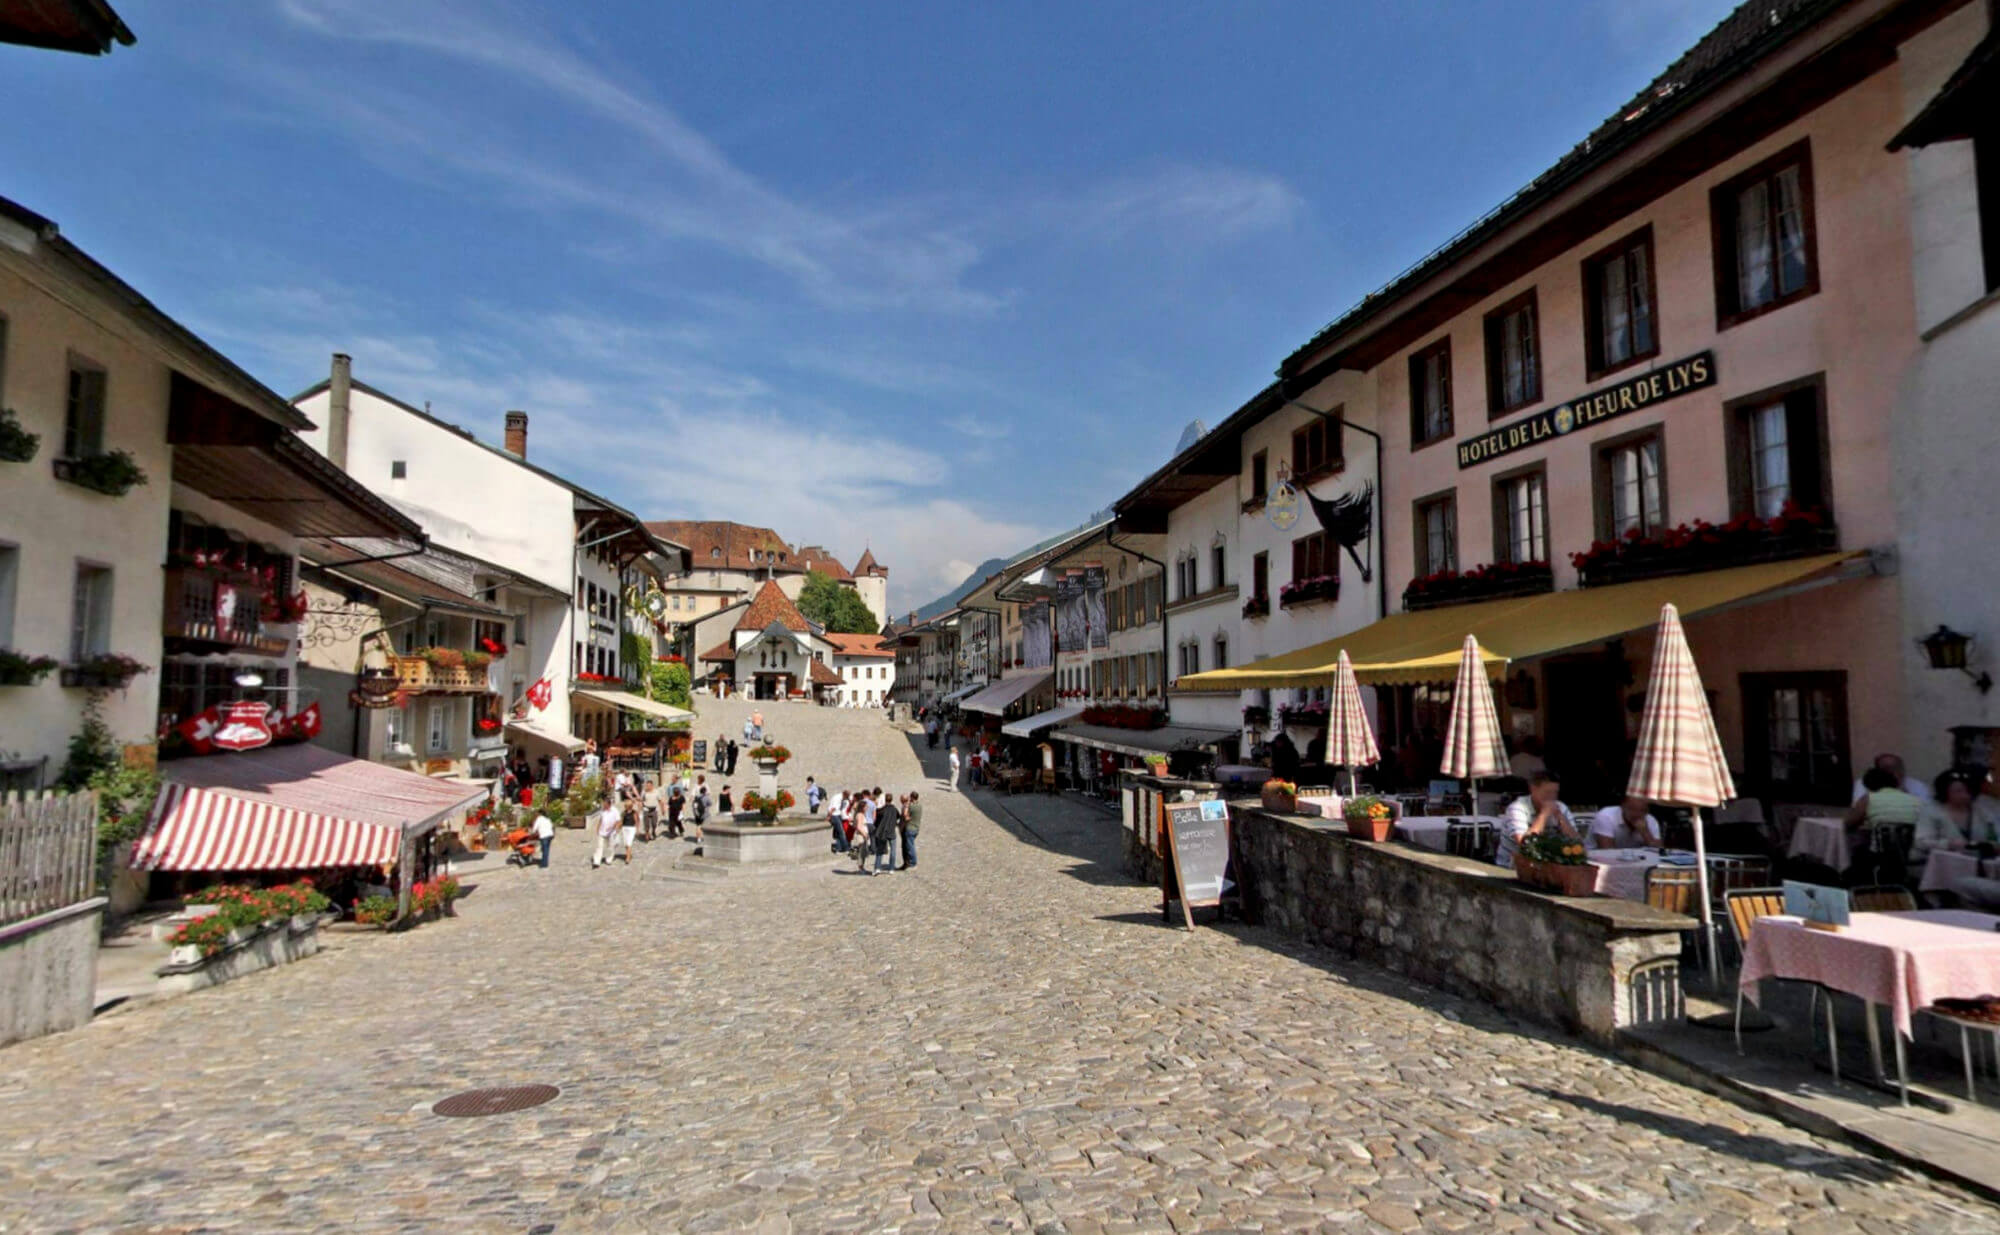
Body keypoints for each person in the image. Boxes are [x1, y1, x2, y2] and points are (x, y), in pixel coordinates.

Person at [1843, 765, 1926, 881]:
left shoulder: (1868, 799)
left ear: (1868, 785)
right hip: (1912, 853)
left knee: (1857, 850)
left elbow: (1849, 823)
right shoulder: (1916, 801)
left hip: (1880, 854)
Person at [1496, 769, 1581, 869]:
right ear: (1533, 789)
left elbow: (1577, 842)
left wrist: (1560, 817)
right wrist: (1543, 815)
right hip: (1510, 867)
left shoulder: (1561, 808)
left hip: (1549, 866)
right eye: (1547, 792)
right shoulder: (1517, 808)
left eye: (1555, 793)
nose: (1552, 797)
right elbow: (1525, 844)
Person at [1851, 753, 1932, 803]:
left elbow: (1926, 811)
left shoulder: (1919, 785)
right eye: (1888, 768)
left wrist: (1902, 790)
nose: (1894, 771)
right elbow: (1857, 808)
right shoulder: (1862, 783)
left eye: (1897, 767)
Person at [1589, 796, 1661, 850]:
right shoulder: (1606, 816)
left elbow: (1659, 851)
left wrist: (1646, 833)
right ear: (1622, 807)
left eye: (1642, 810)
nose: (1637, 814)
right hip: (1597, 859)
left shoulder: (1650, 820)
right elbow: (1607, 850)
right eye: (1632, 809)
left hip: (1634, 860)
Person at [874, 792, 901, 873]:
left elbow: (876, 818)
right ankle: (891, 868)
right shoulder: (894, 809)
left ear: (885, 800)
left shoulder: (882, 810)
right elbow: (898, 816)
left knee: (880, 851)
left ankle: (877, 868)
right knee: (893, 851)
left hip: (882, 832)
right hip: (891, 832)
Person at [592, 798, 621, 869]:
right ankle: (596, 861)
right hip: (602, 831)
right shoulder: (602, 811)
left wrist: (613, 827)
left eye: (605, 805)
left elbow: (618, 821)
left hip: (611, 832)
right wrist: (598, 828)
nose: (604, 806)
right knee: (599, 846)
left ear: (609, 804)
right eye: (603, 804)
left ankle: (609, 859)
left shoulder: (615, 811)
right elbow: (601, 819)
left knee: (610, 847)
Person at [902, 791, 921, 869]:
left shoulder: (911, 807)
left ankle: (913, 862)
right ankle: (911, 861)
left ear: (912, 797)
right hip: (917, 827)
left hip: (910, 828)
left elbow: (905, 816)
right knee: (911, 845)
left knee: (910, 847)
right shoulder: (919, 805)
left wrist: (906, 807)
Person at [828, 789, 849, 853]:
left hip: (837, 815)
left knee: (838, 833)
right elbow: (833, 808)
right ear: (845, 795)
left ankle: (838, 848)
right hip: (835, 816)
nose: (846, 799)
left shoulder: (840, 797)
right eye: (846, 798)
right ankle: (846, 848)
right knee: (842, 833)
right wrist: (829, 816)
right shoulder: (838, 798)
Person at [641, 776, 661, 841]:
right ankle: (647, 834)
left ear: (652, 786)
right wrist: (641, 807)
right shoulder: (644, 792)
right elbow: (641, 800)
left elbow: (660, 800)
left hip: (654, 809)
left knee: (654, 823)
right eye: (647, 786)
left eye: (649, 786)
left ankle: (653, 831)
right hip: (646, 809)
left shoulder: (656, 792)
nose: (648, 787)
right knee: (646, 824)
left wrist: (662, 808)